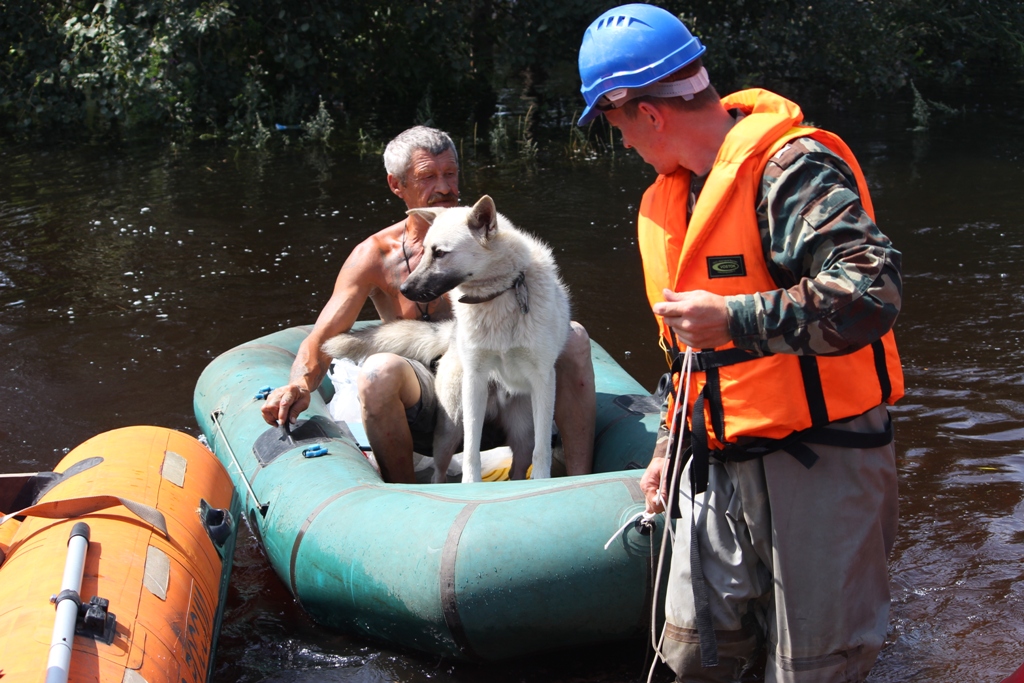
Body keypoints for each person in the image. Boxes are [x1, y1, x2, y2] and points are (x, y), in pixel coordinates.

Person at [577, 5, 904, 682]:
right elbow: (687, 352)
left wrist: (738, 318)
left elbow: (874, 291)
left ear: (644, 111)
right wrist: (671, 441)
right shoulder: (675, 199)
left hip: (820, 458)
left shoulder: (791, 171)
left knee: (814, 666)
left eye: (614, 126)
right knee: (696, 651)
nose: (625, 144)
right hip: (715, 459)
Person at [261, 125, 596, 483]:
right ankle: (407, 500)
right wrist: (298, 384)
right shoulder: (373, 256)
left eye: (450, 174)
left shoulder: (486, 240)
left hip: (504, 381)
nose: (445, 188)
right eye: (428, 176)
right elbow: (322, 339)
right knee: (379, 371)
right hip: (425, 391)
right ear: (396, 185)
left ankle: (581, 483)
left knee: (575, 337)